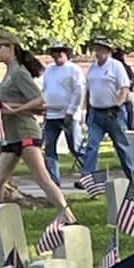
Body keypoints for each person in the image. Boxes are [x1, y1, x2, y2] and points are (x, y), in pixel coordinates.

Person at [0, 33, 75, 217]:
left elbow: (39, 99)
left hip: (26, 134)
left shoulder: (19, 73)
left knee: (43, 179)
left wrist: (17, 110)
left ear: (10, 47)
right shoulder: (9, 73)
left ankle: (69, 218)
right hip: (12, 135)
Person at [80, 35, 134, 192]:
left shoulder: (116, 66)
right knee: (91, 146)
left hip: (113, 112)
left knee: (121, 146)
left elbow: (124, 88)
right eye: (96, 48)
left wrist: (118, 104)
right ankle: (87, 178)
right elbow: (89, 89)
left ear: (108, 51)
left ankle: (133, 176)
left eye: (101, 48)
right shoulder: (93, 68)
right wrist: (87, 108)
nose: (98, 52)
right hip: (96, 112)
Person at [39, 41, 84, 187]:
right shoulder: (49, 70)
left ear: (66, 53)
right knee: (49, 148)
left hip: (68, 115)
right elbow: (44, 90)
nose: (57, 55)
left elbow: (79, 91)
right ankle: (54, 181)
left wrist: (71, 111)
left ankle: (88, 177)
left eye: (60, 51)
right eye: (54, 51)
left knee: (76, 147)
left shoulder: (73, 69)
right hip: (51, 114)